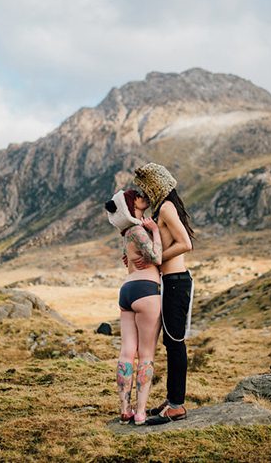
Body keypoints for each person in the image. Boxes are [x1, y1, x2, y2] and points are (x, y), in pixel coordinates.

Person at [132, 163, 195, 425]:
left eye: (145, 189)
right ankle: (172, 401)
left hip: (176, 282)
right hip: (170, 282)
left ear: (155, 187)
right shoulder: (163, 210)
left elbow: (185, 244)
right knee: (171, 342)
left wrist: (155, 259)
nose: (143, 194)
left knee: (175, 342)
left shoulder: (167, 208)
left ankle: (177, 406)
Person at [105, 188, 163, 426]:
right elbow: (157, 258)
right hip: (146, 290)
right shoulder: (139, 231)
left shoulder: (127, 234)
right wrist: (155, 232)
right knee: (146, 355)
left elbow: (127, 260)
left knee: (127, 352)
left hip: (127, 291)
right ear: (131, 204)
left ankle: (124, 410)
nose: (143, 197)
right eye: (137, 196)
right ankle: (140, 412)